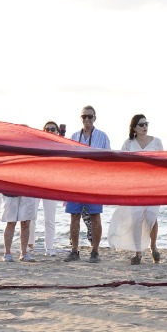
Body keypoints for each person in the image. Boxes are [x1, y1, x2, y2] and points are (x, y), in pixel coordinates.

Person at [110, 114, 164, 265]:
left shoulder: (156, 142)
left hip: (153, 186)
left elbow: (165, 162)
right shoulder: (128, 143)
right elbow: (120, 164)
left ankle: (153, 247)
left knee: (152, 217)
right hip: (134, 186)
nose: (145, 127)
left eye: (146, 124)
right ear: (134, 128)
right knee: (136, 219)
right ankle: (138, 252)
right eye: (141, 125)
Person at [66, 105, 110, 261]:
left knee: (95, 217)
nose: (86, 119)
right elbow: (67, 161)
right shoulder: (73, 137)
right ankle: (74, 251)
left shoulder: (102, 137)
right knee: (74, 217)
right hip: (75, 183)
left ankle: (95, 251)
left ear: (95, 118)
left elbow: (109, 161)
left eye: (90, 116)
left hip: (94, 183)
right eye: (84, 116)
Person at [38, 122, 62, 257]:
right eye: (47, 129)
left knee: (50, 219)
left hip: (51, 186)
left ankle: (49, 248)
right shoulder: (38, 146)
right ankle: (29, 246)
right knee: (31, 217)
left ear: (57, 131)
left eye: (53, 129)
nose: (50, 131)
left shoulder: (61, 147)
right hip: (36, 184)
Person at [0, 192, 39, 263]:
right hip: (11, 192)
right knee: (11, 222)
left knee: (26, 223)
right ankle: (7, 253)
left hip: (28, 192)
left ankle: (24, 253)